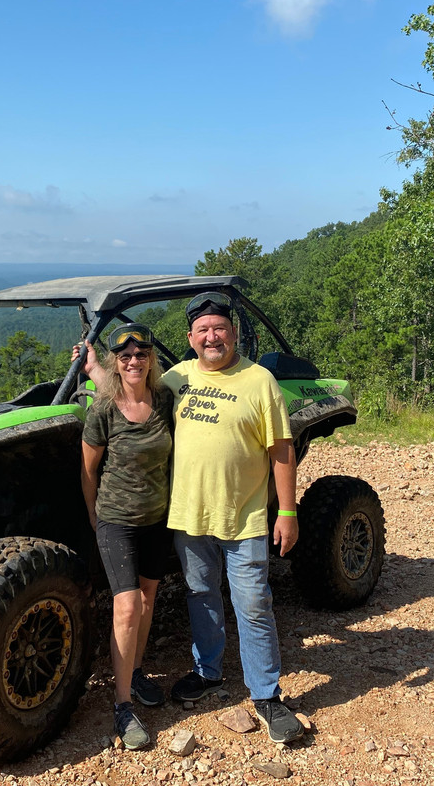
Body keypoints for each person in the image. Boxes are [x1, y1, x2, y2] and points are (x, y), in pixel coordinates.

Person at [78, 293, 304, 744]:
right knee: (201, 594)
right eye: (203, 330)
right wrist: (95, 368)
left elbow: (281, 449)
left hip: (243, 518)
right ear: (190, 339)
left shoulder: (260, 381)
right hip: (186, 516)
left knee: (253, 604)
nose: (212, 336)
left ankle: (266, 696)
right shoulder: (176, 378)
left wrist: (288, 511)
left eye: (219, 328)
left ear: (234, 333)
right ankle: (208, 673)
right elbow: (130, 381)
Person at [80, 323, 174, 751]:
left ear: (151, 359)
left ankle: (135, 672)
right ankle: (121, 705)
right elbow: (88, 471)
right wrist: (96, 519)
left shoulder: (165, 400)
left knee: (149, 598)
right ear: (117, 363)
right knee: (127, 603)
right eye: (125, 357)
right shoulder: (103, 409)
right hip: (116, 519)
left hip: (157, 518)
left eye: (141, 355)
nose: (133, 361)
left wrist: (94, 368)